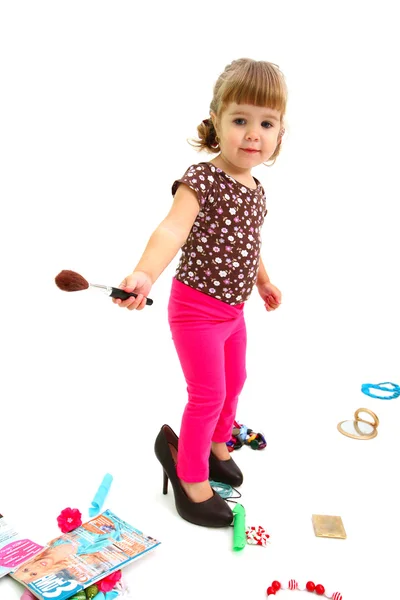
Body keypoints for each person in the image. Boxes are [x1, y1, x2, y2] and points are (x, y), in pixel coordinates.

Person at [114, 58, 287, 527]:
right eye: (240, 120)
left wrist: (263, 280)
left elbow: (250, 244)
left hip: (234, 312)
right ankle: (190, 476)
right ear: (216, 122)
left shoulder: (256, 189)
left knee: (237, 381)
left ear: (279, 132)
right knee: (208, 393)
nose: (253, 134)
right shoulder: (201, 179)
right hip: (195, 312)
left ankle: (216, 444)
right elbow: (171, 230)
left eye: (266, 123)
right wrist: (144, 274)